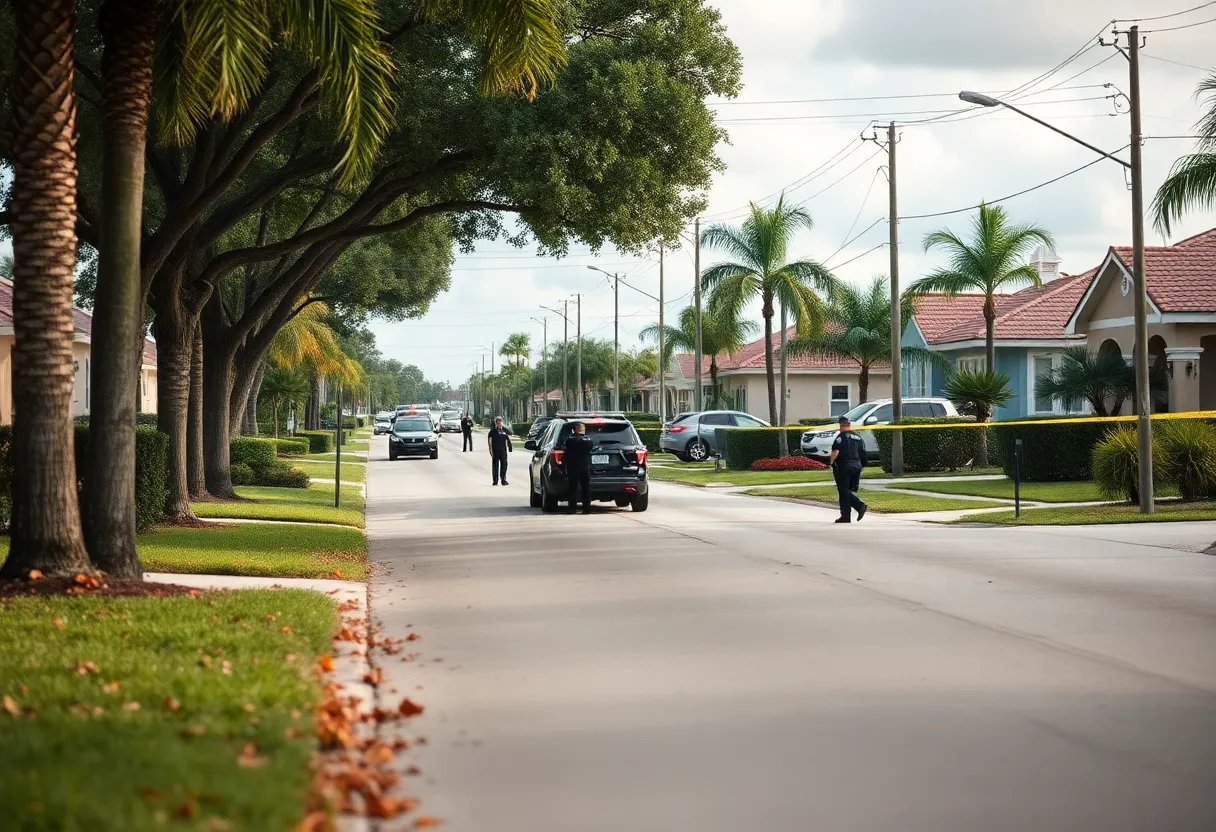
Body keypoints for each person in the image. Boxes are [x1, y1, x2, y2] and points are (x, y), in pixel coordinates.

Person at [829, 415, 867, 523]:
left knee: (843, 490)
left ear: (841, 425)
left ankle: (859, 506)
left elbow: (836, 451)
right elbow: (863, 453)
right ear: (849, 425)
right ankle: (845, 516)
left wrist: (830, 463)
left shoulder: (841, 437)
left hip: (844, 466)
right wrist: (862, 465)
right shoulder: (858, 437)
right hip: (857, 466)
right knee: (847, 490)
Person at [563, 421, 593, 514]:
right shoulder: (589, 440)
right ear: (582, 429)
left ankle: (572, 508)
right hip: (585, 467)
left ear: (575, 429)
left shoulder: (570, 440)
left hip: (573, 466)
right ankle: (587, 508)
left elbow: (567, 447)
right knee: (586, 488)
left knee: (573, 488)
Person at [487, 416, 513, 485]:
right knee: (495, 466)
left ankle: (503, 479)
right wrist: (490, 450)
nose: (498, 424)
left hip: (503, 451)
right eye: (497, 423)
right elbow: (489, 441)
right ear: (495, 423)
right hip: (495, 451)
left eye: (500, 422)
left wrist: (510, 448)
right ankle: (495, 480)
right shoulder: (492, 431)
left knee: (504, 465)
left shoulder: (504, 430)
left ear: (502, 422)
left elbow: (509, 437)